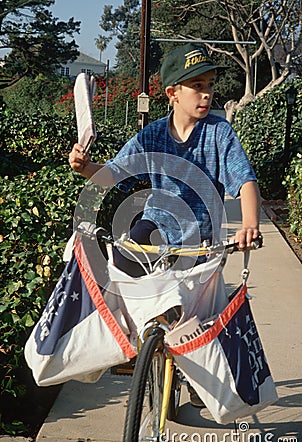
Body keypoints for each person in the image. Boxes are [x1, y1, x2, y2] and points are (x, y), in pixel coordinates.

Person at [69, 43, 261, 406]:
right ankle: (133, 341)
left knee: (196, 313)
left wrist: (249, 223)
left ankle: (193, 370)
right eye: (197, 86)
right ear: (173, 93)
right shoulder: (152, 135)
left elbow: (245, 181)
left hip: (200, 237)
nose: (206, 94)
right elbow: (115, 174)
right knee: (122, 259)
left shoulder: (219, 134)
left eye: (209, 85)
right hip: (155, 226)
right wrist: (85, 168)